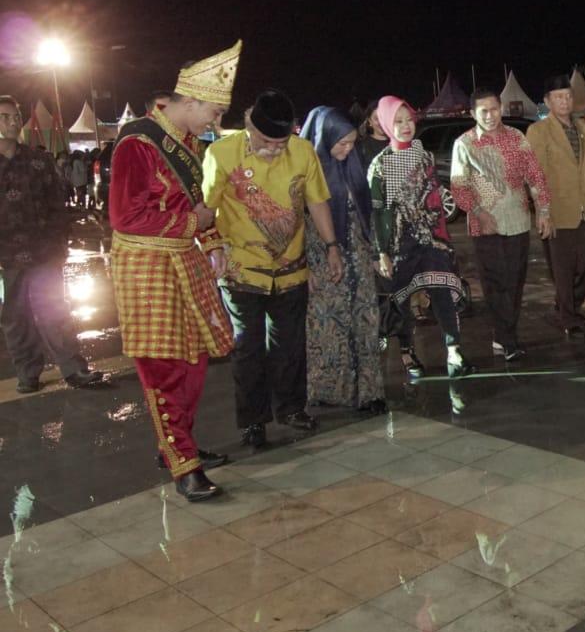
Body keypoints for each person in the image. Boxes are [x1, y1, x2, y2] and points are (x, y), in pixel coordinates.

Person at [108, 43, 242, 501]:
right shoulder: (137, 142)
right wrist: (193, 225)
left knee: (194, 363)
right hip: (148, 268)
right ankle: (185, 464)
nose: (216, 123)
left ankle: (177, 444)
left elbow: (198, 205)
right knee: (163, 368)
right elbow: (125, 217)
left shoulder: (187, 143)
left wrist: (213, 241)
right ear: (192, 101)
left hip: (185, 260)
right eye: (215, 113)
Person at [204, 89, 343, 449]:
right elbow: (206, 208)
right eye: (267, 141)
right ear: (249, 127)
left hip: (291, 268)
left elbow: (317, 201)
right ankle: (253, 420)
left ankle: (292, 408)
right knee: (247, 349)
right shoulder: (221, 154)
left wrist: (332, 246)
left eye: (282, 142)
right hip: (242, 270)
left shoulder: (303, 151)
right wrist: (208, 245)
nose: (276, 149)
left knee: (290, 345)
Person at [0, 96, 106, 395]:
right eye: (4, 117)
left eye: (15, 116)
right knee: (15, 317)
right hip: (6, 257)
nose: (12, 122)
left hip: (44, 251)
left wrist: (60, 243)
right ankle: (27, 373)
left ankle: (73, 368)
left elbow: (58, 205)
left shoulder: (39, 161)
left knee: (55, 310)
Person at [368, 96, 475, 376]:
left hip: (432, 241)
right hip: (399, 245)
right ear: (386, 125)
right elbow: (378, 213)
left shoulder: (425, 156)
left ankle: (454, 352)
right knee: (402, 301)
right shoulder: (380, 165)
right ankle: (407, 354)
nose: (405, 126)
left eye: (409, 120)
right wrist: (381, 252)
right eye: (397, 121)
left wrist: (445, 242)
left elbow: (436, 202)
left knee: (442, 293)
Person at [450, 89, 551, 362]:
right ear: (473, 114)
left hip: (518, 220)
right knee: (495, 282)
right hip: (486, 225)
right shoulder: (464, 144)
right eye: (483, 111)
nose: (490, 115)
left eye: (494, 109)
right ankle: (507, 340)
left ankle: (504, 334)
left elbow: (535, 175)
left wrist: (544, 211)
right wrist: (479, 213)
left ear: (501, 108)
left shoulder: (517, 137)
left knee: (515, 280)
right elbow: (459, 187)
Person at [299, 107, 384, 413]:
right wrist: (303, 266)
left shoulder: (353, 165)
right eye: (341, 143)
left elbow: (366, 213)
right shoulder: (305, 171)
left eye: (351, 143)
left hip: (357, 254)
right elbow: (297, 223)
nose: (347, 149)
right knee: (328, 323)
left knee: (365, 318)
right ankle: (329, 390)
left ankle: (369, 391)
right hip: (320, 256)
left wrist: (375, 253)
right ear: (323, 139)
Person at [527, 78, 585, 335]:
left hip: (583, 206)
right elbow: (535, 174)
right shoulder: (538, 131)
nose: (565, 101)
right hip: (555, 208)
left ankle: (567, 305)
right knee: (562, 267)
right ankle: (567, 316)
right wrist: (543, 211)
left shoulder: (582, 127)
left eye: (568, 96)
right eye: (559, 96)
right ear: (547, 101)